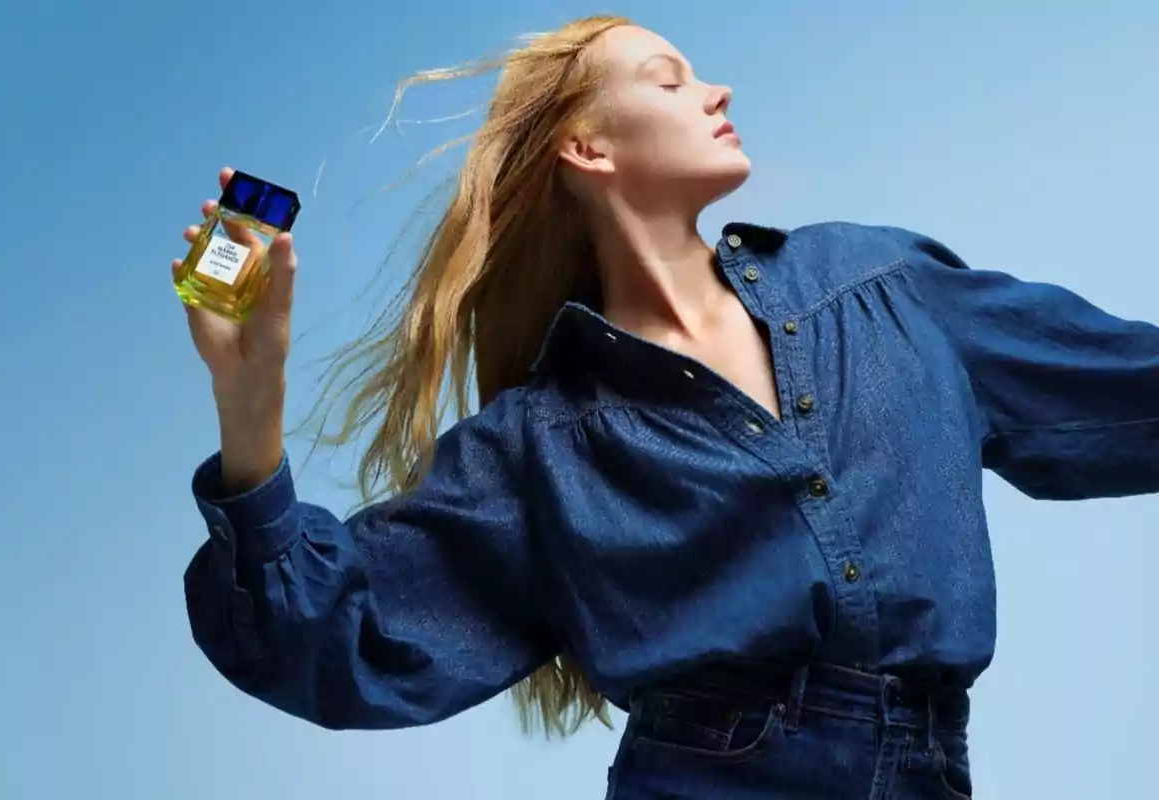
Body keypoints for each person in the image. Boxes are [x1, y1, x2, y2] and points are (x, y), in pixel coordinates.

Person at [175, 14, 1159, 800]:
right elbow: (333, 639)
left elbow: (1128, 389)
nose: (717, 89)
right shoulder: (539, 449)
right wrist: (247, 396)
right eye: (669, 76)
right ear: (588, 148)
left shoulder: (879, 285)